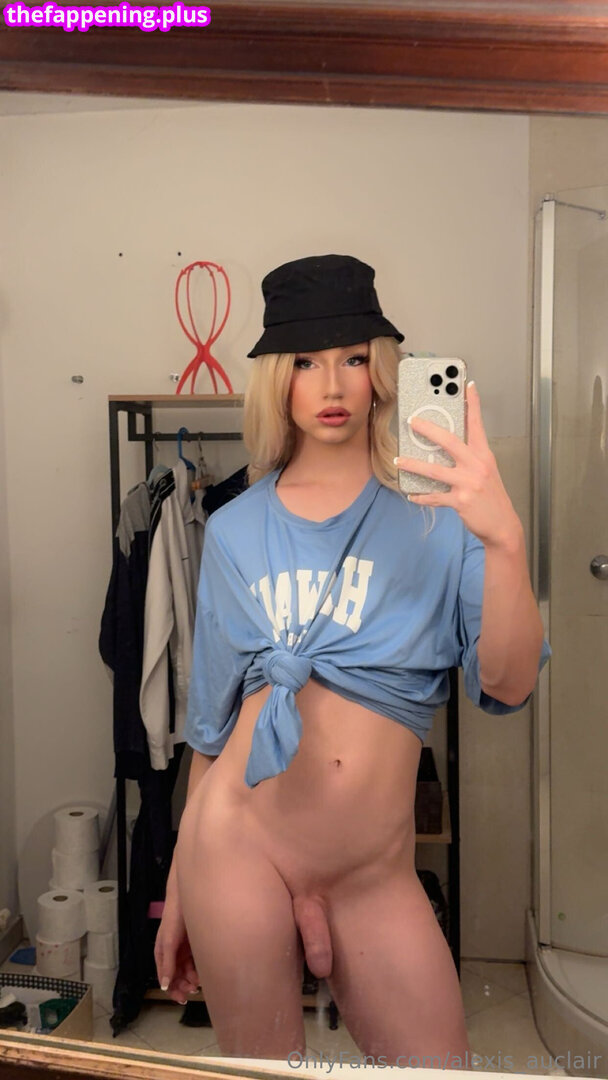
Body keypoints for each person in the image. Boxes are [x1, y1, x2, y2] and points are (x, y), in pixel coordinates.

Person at [154, 254, 550, 1066]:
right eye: (305, 361)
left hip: (375, 875)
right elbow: (212, 731)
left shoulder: (442, 520)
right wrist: (181, 883)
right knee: (266, 1072)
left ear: (382, 373)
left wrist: (505, 540)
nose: (332, 384)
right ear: (278, 381)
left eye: (354, 358)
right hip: (236, 847)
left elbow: (509, 685)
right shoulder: (232, 530)